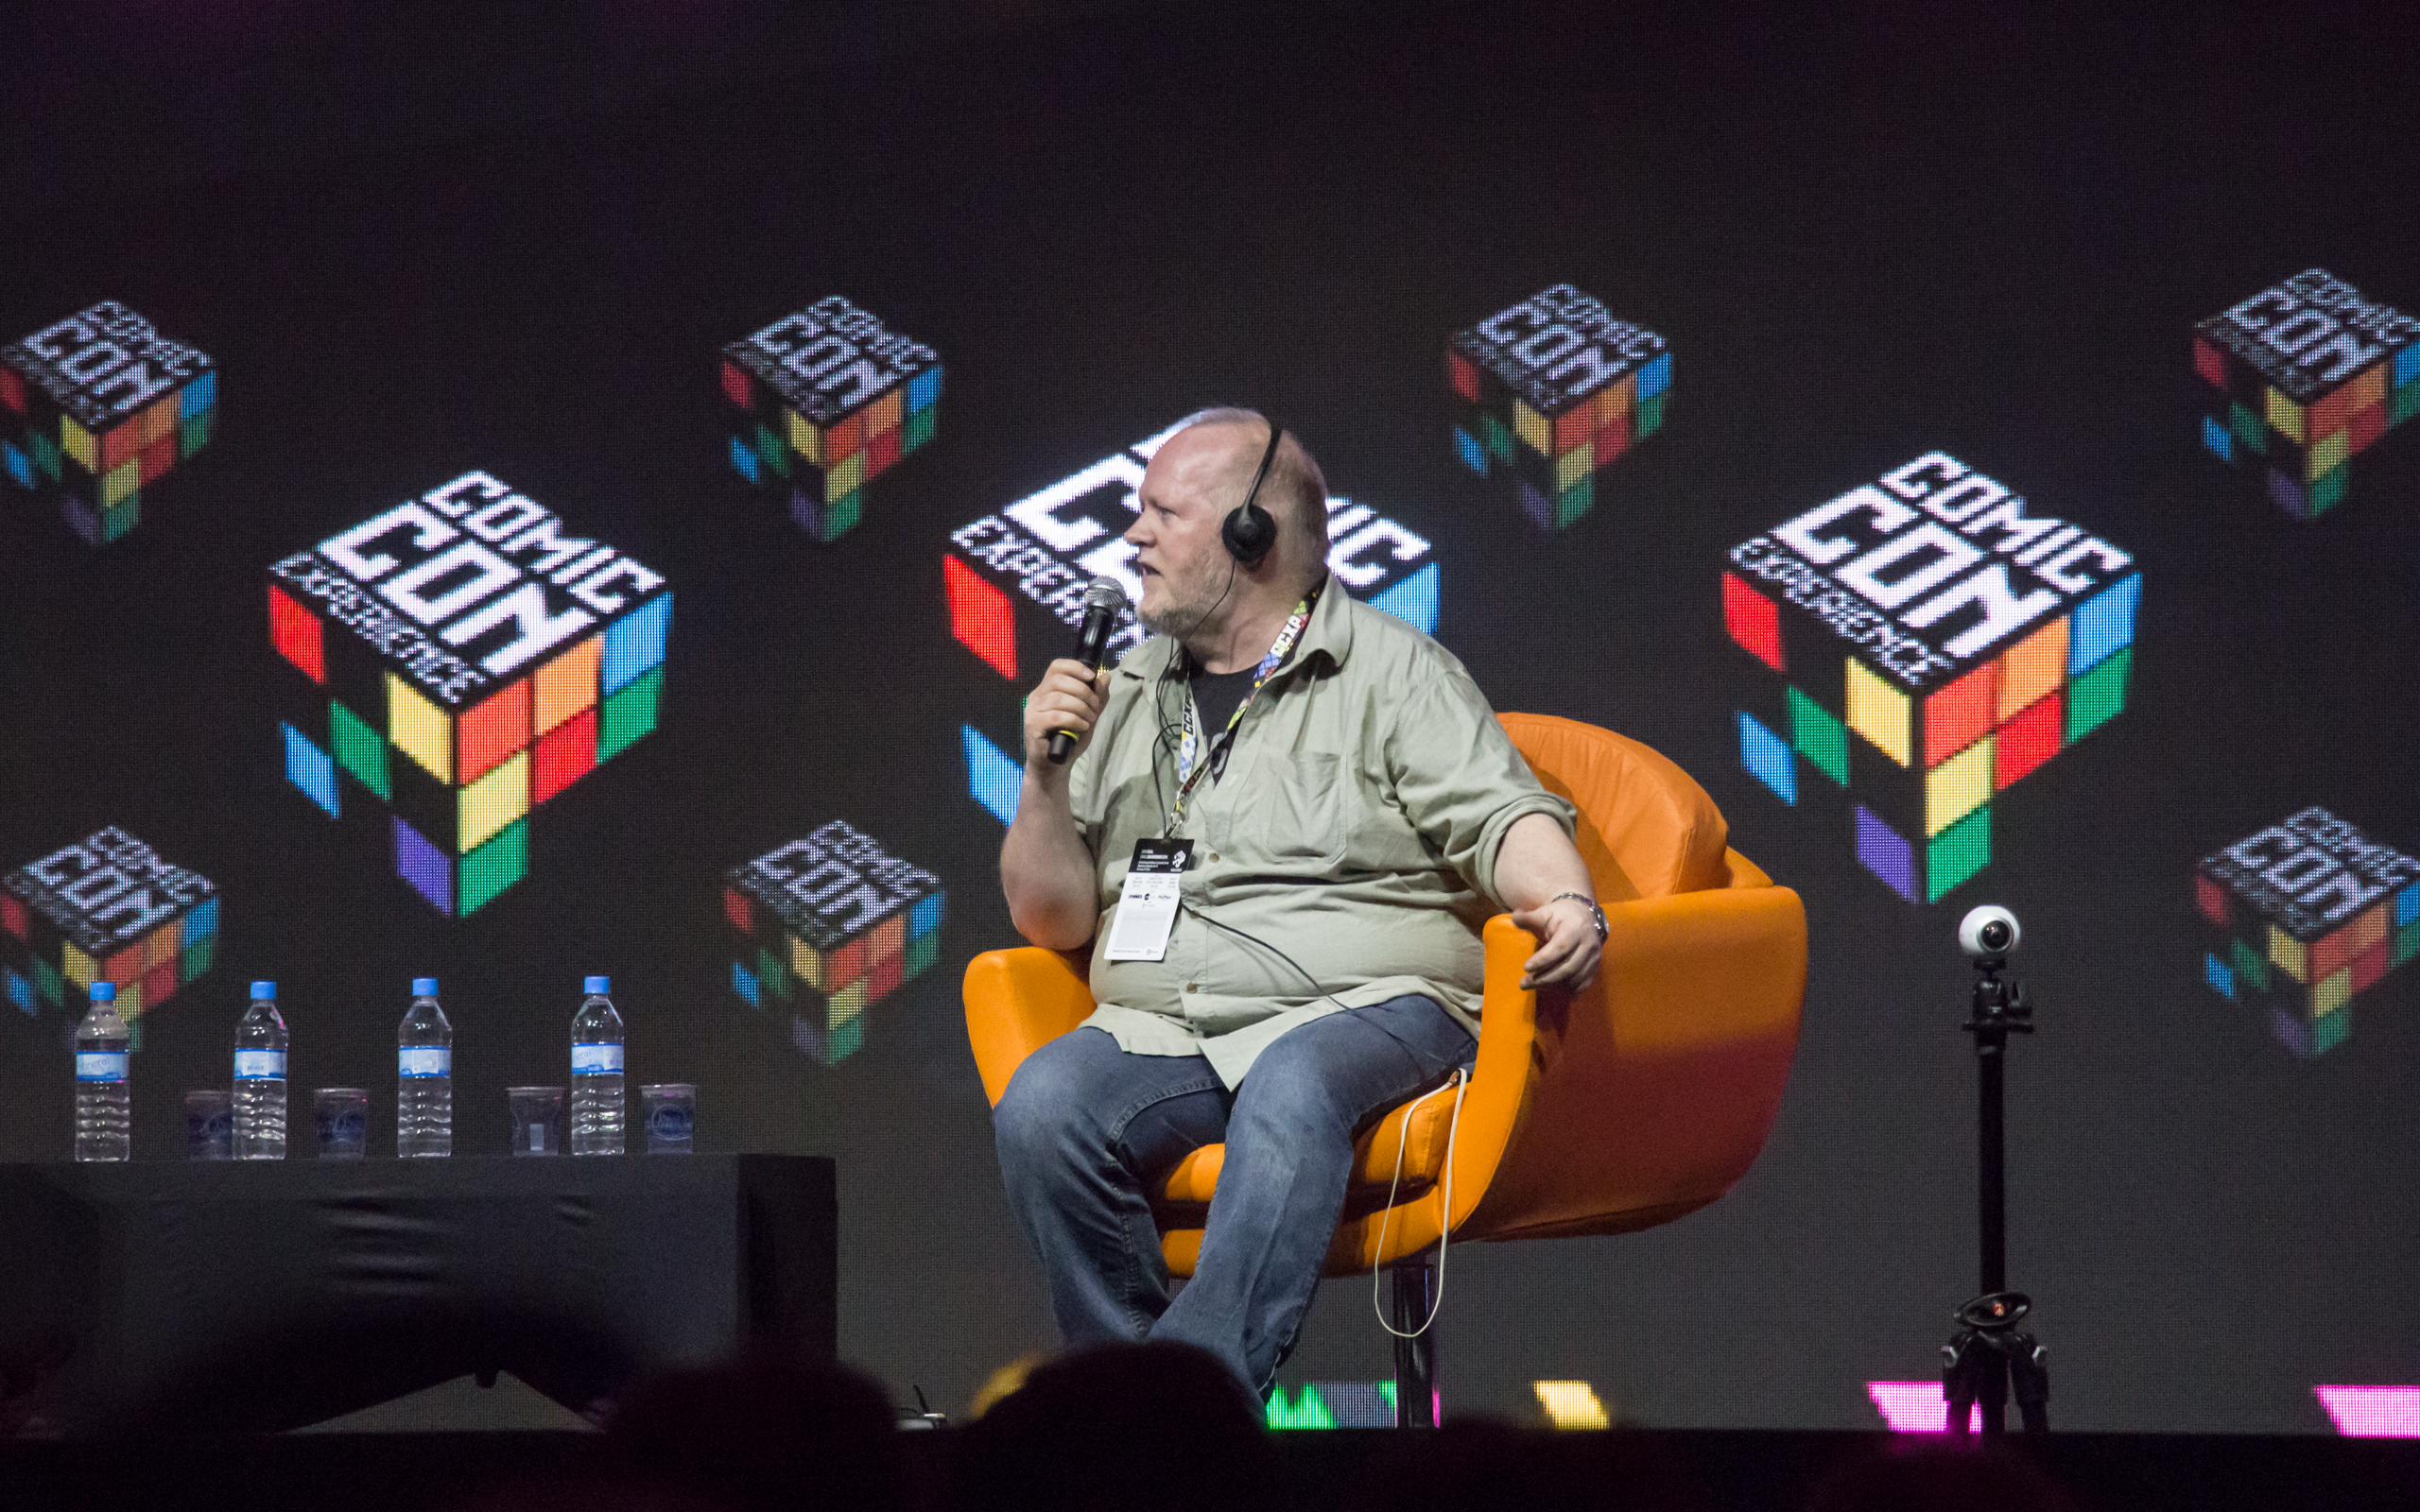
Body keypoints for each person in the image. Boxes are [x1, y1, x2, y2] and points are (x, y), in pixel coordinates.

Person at [993, 408, 1607, 1397]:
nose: (1132, 537)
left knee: (1290, 1081)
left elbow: (1502, 816)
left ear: (1250, 535)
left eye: (1162, 513)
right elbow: (1050, 920)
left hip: (1376, 1005)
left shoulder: (1391, 669)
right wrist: (1043, 779)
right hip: (1172, 1023)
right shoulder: (1129, 685)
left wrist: (1569, 899)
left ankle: (1191, 1401)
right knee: (1044, 1105)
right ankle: (1130, 1398)